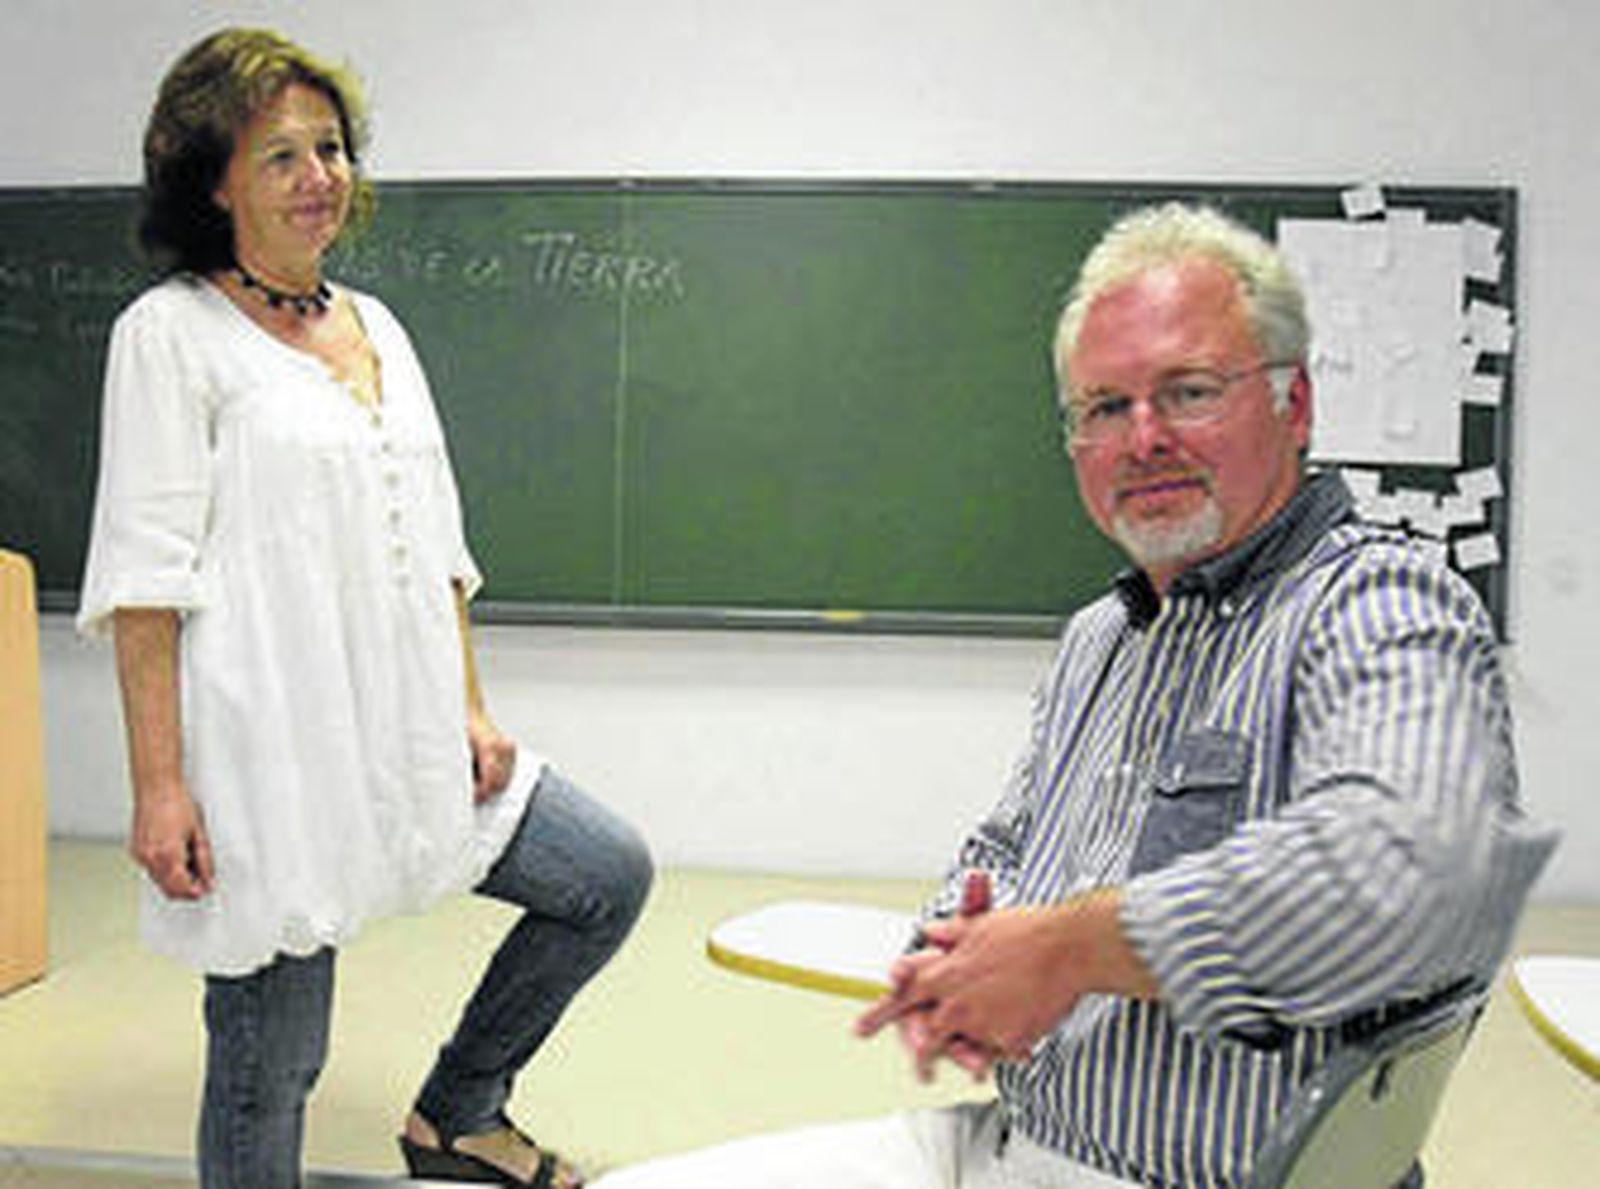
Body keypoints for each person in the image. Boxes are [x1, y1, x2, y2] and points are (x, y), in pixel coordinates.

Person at [594, 203, 1556, 1189]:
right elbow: (1006, 848)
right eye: (1103, 407)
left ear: (1293, 404)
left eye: (1187, 391)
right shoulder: (1103, 635)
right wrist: (955, 954)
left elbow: (1414, 879)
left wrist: (1069, 949)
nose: (1142, 438)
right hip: (1008, 1144)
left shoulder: (1379, 603)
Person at [77, 28, 652, 1189]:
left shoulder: (378, 325)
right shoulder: (170, 336)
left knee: (605, 875)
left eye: (329, 147)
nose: (317, 176)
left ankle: (457, 1111)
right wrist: (160, 783)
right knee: (271, 1064)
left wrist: (472, 709)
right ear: (214, 179)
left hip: (407, 727)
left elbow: (439, 544)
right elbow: (144, 583)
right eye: (278, 154)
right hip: (268, 754)